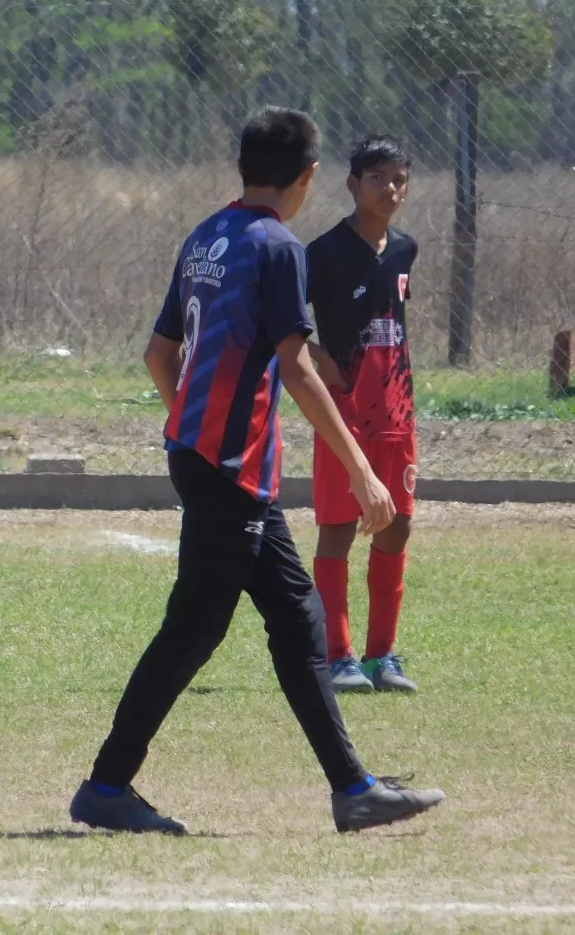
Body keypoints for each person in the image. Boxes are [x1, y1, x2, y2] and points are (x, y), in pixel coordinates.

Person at [68, 109, 444, 835]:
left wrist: (189, 419)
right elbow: (299, 368)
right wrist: (362, 470)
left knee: (297, 621)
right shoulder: (278, 246)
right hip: (229, 467)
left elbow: (158, 353)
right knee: (192, 631)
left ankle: (353, 788)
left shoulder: (207, 233)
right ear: (307, 178)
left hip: (213, 460)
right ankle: (107, 786)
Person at [306, 137, 420, 694]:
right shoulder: (322, 253)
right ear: (353, 185)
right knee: (337, 528)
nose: (390, 189)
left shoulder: (404, 250)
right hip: (343, 414)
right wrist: (316, 358)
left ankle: (382, 657)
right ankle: (338, 656)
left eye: (399, 179)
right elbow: (279, 318)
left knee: (396, 525)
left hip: (396, 414)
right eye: (378, 178)